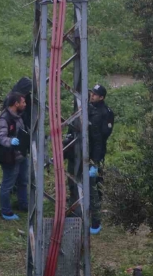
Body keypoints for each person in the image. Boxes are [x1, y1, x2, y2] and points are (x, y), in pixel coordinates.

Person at [66, 84, 115, 235]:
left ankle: (95, 220)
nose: (92, 96)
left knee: (92, 188)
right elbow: (72, 126)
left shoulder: (104, 113)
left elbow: (100, 140)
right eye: (91, 93)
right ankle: (75, 210)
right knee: (73, 180)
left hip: (92, 155)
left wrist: (95, 161)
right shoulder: (84, 108)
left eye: (95, 94)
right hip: (76, 151)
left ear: (102, 97)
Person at [0, 92, 30, 220]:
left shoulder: (18, 116)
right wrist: (10, 142)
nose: (25, 104)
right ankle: (6, 211)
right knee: (8, 184)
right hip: (10, 157)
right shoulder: (5, 118)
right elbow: (0, 136)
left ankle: (23, 204)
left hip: (21, 155)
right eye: (23, 102)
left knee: (23, 181)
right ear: (16, 104)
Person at [3, 77, 32, 196]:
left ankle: (20, 192)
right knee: (12, 164)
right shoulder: (11, 98)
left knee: (22, 161)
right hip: (12, 132)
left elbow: (29, 113)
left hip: (23, 130)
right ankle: (11, 188)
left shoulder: (27, 97)